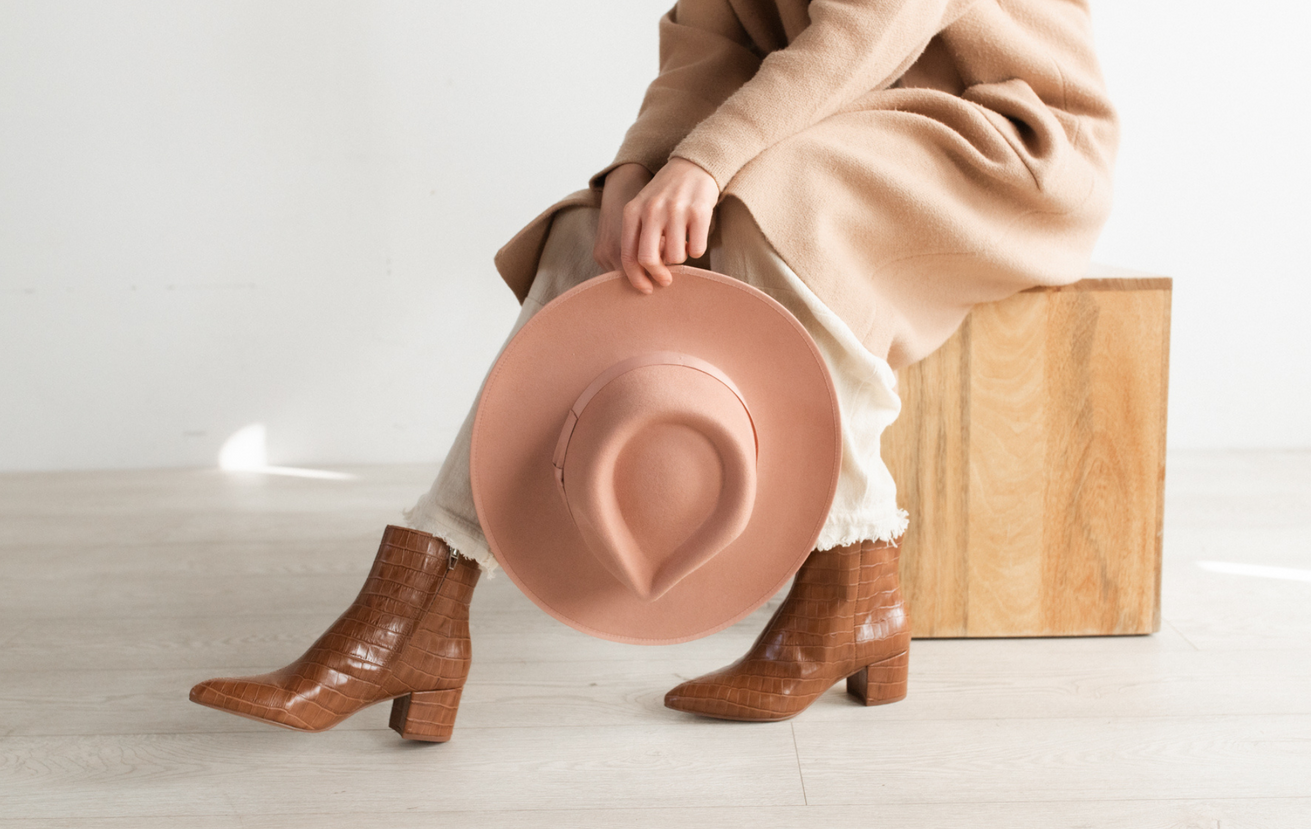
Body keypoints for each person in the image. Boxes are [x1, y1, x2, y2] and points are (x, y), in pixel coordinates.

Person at [190, 0, 1118, 739]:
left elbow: (875, 25)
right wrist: (641, 166)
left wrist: (706, 163)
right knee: (590, 235)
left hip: (1002, 137)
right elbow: (707, 41)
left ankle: (854, 579)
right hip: (845, 126)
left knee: (761, 205)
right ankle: (425, 593)